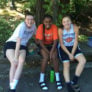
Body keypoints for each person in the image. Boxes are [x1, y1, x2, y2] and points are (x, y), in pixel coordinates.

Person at [4, 12, 36, 92]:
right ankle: (12, 87)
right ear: (25, 20)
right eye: (28, 19)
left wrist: (35, 44)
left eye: (32, 19)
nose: (30, 21)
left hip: (23, 46)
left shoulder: (34, 26)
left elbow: (36, 35)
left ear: (34, 20)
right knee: (14, 63)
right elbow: (18, 41)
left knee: (21, 62)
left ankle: (12, 87)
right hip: (11, 43)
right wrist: (15, 57)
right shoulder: (22, 26)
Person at [58, 15, 86, 92]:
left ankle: (74, 81)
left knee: (83, 61)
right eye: (64, 21)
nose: (66, 23)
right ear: (62, 23)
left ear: (70, 22)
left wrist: (72, 53)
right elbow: (62, 44)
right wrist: (69, 54)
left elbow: (76, 41)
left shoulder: (75, 27)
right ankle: (68, 84)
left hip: (73, 47)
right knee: (66, 64)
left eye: (68, 21)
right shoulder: (60, 29)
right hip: (64, 48)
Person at [36, 14, 63, 91]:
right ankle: (41, 80)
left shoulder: (54, 27)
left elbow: (55, 41)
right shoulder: (40, 27)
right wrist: (48, 53)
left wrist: (51, 52)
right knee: (45, 58)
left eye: (50, 22)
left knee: (54, 57)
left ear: (52, 22)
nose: (48, 23)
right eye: (46, 22)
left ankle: (58, 79)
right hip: (43, 45)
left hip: (52, 45)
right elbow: (40, 42)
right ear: (43, 22)